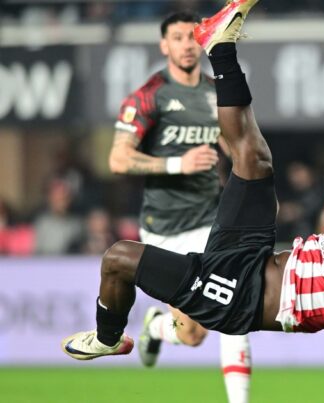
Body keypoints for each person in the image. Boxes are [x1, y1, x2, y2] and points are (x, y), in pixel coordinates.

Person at [61, 1, 324, 402]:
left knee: (119, 257)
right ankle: (220, 47)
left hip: (240, 298)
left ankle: (108, 338)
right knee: (255, 159)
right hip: (253, 252)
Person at [108, 11, 252, 402]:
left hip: (211, 221)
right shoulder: (148, 96)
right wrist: (177, 164)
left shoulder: (213, 94)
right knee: (193, 335)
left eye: (192, 37)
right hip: (164, 228)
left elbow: (238, 151)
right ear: (164, 46)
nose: (188, 44)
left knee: (234, 309)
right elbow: (118, 160)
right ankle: (156, 328)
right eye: (178, 38)